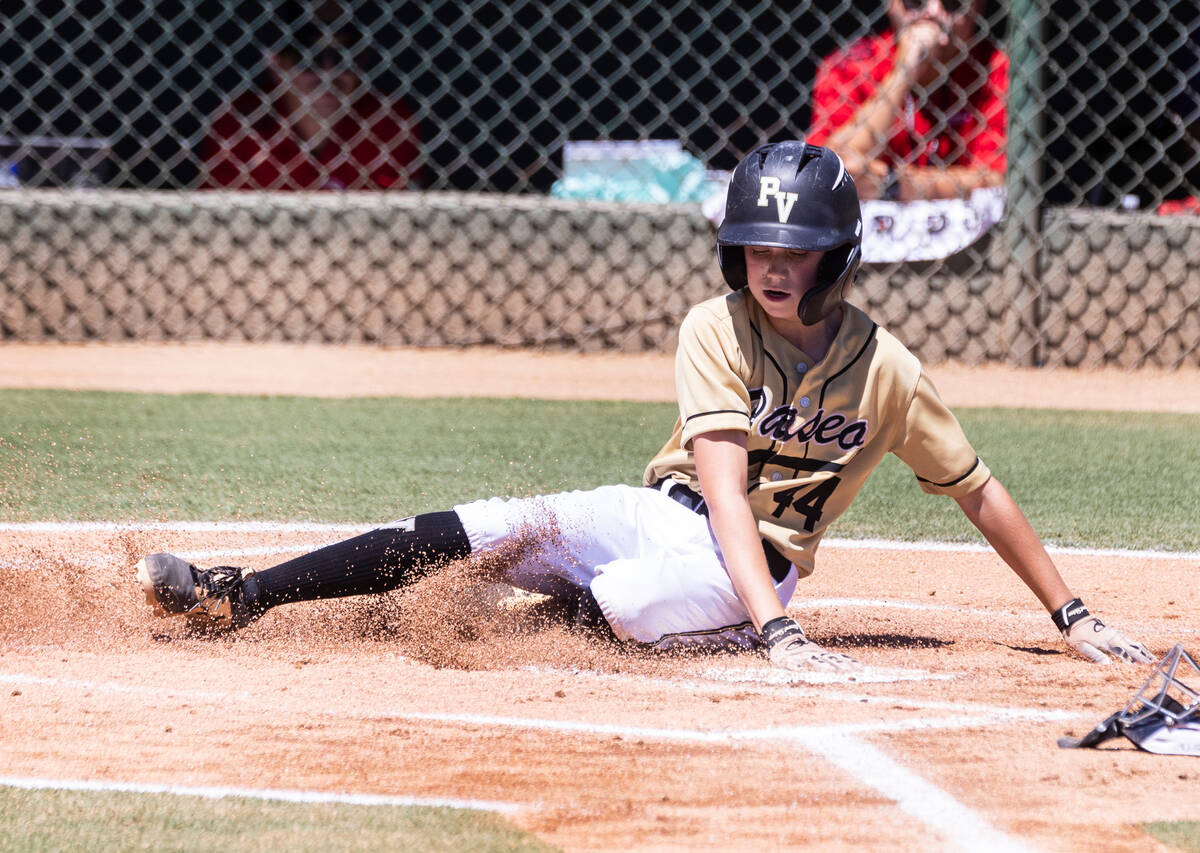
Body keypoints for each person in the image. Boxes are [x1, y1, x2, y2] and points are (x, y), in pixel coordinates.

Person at [137, 141, 1151, 671]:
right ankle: (245, 592)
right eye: (758, 246)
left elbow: (976, 491)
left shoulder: (889, 370)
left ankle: (534, 627)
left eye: (795, 252)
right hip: (661, 511)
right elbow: (712, 475)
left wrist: (1071, 612)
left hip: (753, 568)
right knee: (481, 528)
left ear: (839, 259)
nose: (773, 267)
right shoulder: (713, 327)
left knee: (625, 602)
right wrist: (775, 633)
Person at [807, 0, 1007, 201]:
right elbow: (825, 173)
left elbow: (996, 179)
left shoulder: (995, 69)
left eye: (952, 4)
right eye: (915, 2)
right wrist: (903, 72)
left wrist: (890, 183)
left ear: (977, 9)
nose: (933, 13)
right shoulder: (849, 66)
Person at [202, 26, 421, 191]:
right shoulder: (239, 125)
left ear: (360, 62)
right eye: (308, 59)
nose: (327, 73)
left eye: (341, 58)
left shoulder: (388, 121)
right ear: (277, 65)